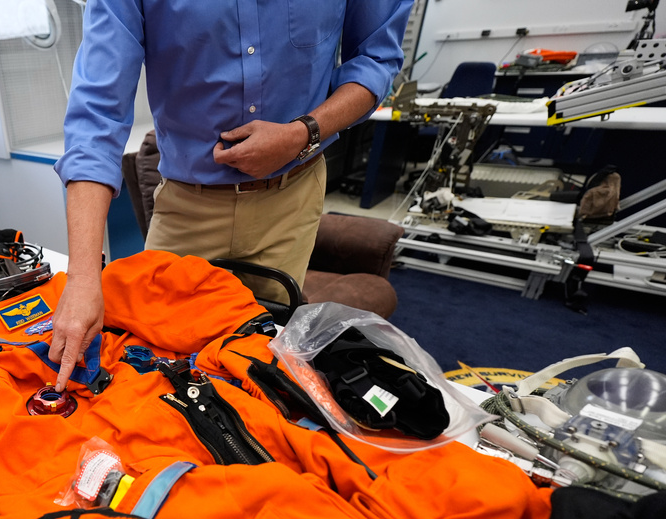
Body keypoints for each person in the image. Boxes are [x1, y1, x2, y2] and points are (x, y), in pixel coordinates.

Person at [49, 0, 415, 392]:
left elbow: (376, 59)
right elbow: (96, 116)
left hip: (292, 199)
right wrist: (84, 277)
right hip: (188, 209)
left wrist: (302, 133)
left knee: (262, 368)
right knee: (156, 372)